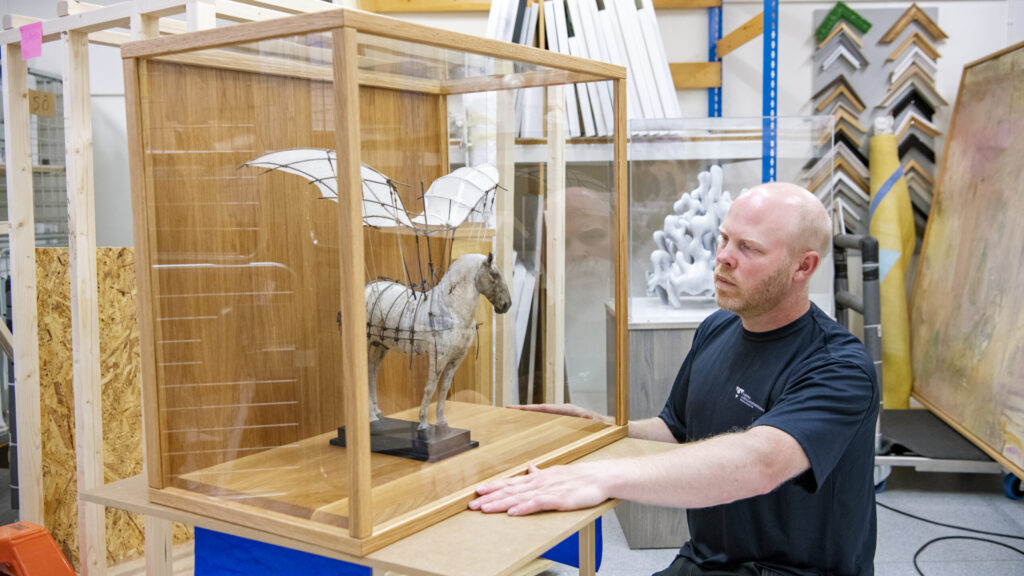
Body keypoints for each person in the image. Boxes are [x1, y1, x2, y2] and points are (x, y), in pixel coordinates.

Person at [469, 182, 879, 576]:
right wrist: (602, 430)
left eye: (748, 248)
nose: (723, 258)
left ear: (803, 266)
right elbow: (675, 429)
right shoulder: (718, 328)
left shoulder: (839, 368)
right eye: (724, 239)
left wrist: (602, 476)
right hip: (708, 561)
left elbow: (762, 462)